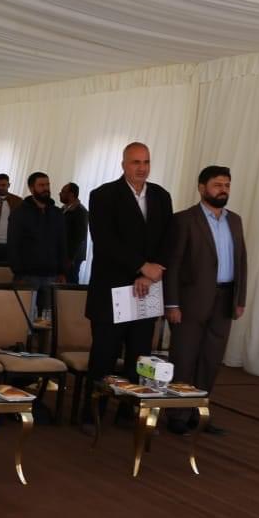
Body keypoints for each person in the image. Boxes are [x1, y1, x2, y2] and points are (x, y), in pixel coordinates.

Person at [83, 142, 174, 426]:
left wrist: (150, 274)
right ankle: (92, 415)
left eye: (146, 162)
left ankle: (127, 412)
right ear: (123, 164)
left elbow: (168, 239)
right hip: (111, 290)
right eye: (136, 162)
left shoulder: (161, 196)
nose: (142, 168)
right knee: (104, 356)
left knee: (140, 356)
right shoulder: (103, 195)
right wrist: (141, 266)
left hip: (147, 289)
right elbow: (106, 241)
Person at [163, 166, 247, 436]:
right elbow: (173, 265)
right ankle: (176, 415)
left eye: (227, 185)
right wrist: (172, 304)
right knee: (184, 358)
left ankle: (198, 414)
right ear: (202, 188)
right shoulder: (184, 220)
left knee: (211, 360)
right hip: (190, 302)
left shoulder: (235, 220)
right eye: (217, 185)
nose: (223, 190)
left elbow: (241, 261)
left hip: (225, 299)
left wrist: (240, 299)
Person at [7, 171, 67, 316]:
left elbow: (62, 243)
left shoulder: (56, 213)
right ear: (31, 188)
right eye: (41, 185)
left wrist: (62, 271)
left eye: (47, 184)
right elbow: (13, 245)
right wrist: (18, 272)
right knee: (24, 317)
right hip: (27, 275)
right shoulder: (19, 213)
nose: (46, 188)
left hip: (51, 275)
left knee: (48, 319)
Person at [60, 182, 88, 282]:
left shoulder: (80, 211)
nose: (60, 194)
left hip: (73, 256)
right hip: (65, 253)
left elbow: (79, 237)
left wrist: (70, 258)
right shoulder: (64, 209)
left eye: (63, 192)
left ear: (71, 194)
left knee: (70, 282)